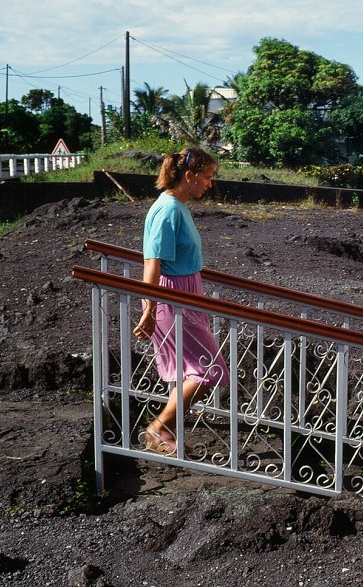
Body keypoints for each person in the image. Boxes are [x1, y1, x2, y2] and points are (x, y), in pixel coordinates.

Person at [133, 146, 228, 456]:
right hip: (173, 299)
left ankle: (164, 431)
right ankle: (159, 428)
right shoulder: (168, 210)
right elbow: (152, 263)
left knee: (193, 371)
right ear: (189, 176)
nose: (209, 184)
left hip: (185, 294)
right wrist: (149, 308)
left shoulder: (179, 207)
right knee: (209, 369)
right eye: (207, 177)